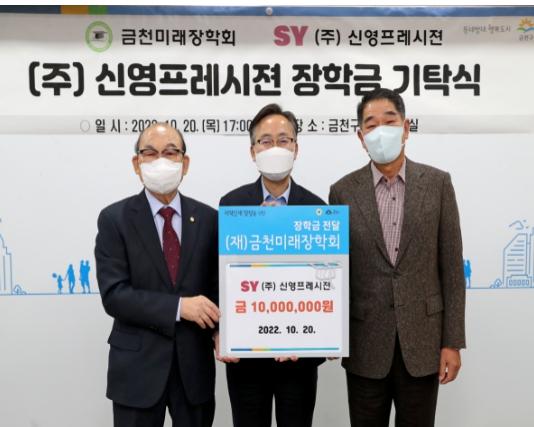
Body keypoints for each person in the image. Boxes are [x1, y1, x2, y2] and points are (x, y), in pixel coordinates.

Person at [329, 88, 466, 427]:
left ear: (406, 128)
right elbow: (335, 273)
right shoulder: (342, 191)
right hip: (365, 345)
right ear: (361, 137)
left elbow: (451, 269)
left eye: (389, 122)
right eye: (370, 125)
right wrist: (329, 333)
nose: (381, 131)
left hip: (422, 343)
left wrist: (452, 342)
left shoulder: (438, 184)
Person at [94, 123, 219, 427]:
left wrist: (225, 329)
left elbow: (219, 288)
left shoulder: (209, 219)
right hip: (137, 371)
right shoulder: (114, 219)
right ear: (136, 164)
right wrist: (179, 307)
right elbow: (115, 296)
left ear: (184, 163)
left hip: (194, 370)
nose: (160, 160)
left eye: (170, 152)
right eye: (150, 153)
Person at [217, 103, 325, 427]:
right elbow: (220, 275)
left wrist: (323, 335)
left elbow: (326, 280)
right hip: (246, 359)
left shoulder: (317, 208)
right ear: (253, 151)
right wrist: (221, 332)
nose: (275, 147)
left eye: (284, 140)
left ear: (296, 148)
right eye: (265, 141)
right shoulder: (231, 205)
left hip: (298, 359)